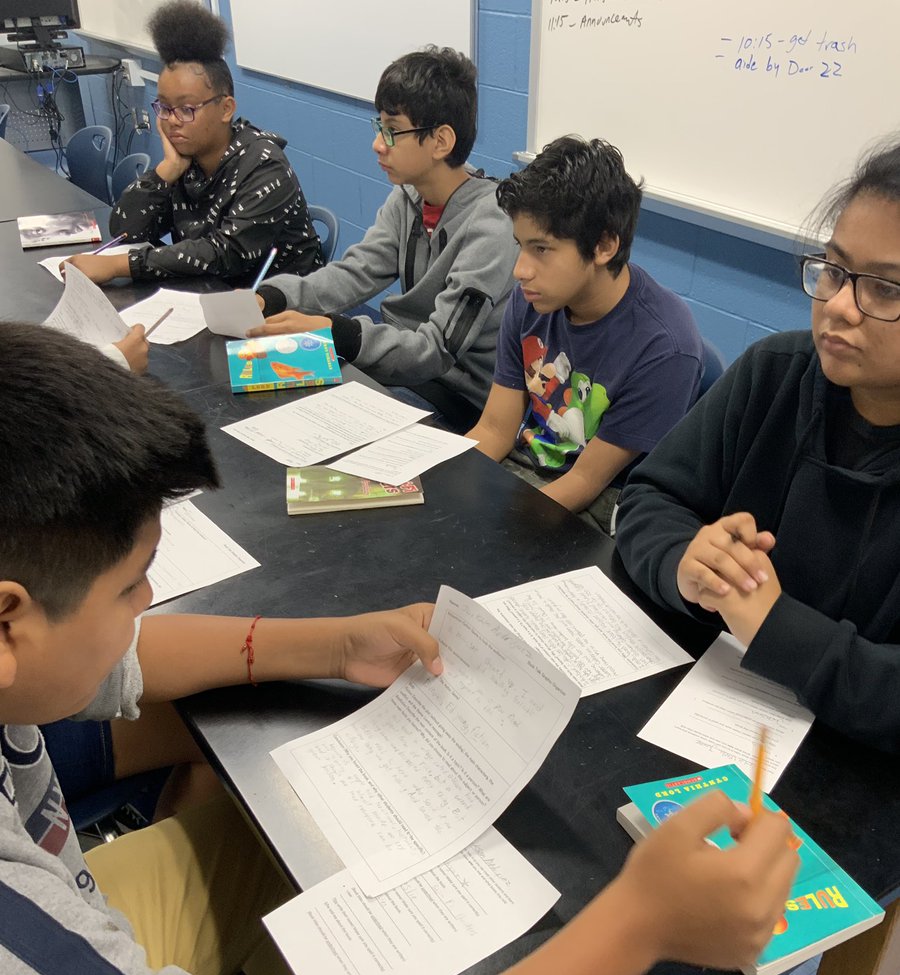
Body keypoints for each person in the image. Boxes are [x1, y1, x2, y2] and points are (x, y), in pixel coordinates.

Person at [0, 321, 799, 975]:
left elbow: (122, 669)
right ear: (11, 621)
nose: (148, 601)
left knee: (274, 836)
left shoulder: (19, 666)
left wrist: (332, 643)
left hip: (74, 919)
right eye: (130, 586)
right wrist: (638, 923)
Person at [616, 138, 900, 752]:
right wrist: (685, 565)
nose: (841, 307)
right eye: (835, 269)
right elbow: (647, 499)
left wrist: (775, 627)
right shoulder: (776, 372)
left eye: (887, 290)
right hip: (714, 723)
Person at [248, 47, 517, 413]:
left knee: (323, 415)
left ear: (441, 141)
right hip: (407, 370)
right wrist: (271, 297)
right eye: (379, 127)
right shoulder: (407, 197)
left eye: (392, 131)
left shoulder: (493, 226)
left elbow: (435, 351)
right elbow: (354, 274)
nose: (378, 144)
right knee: (258, 376)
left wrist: (335, 332)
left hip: (459, 398)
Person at [465, 137, 703, 534]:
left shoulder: (665, 348)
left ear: (604, 245)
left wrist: (493, 528)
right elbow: (493, 429)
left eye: (541, 248)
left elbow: (585, 483)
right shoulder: (533, 299)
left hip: (591, 510)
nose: (521, 270)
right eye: (521, 246)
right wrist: (439, 485)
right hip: (520, 474)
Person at [65, 0, 321, 288]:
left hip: (280, 313)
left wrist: (120, 265)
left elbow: (225, 253)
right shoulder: (187, 161)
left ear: (226, 109)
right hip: (208, 297)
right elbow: (126, 231)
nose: (172, 121)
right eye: (164, 108)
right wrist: (166, 171)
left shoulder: (264, 165)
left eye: (186, 110)